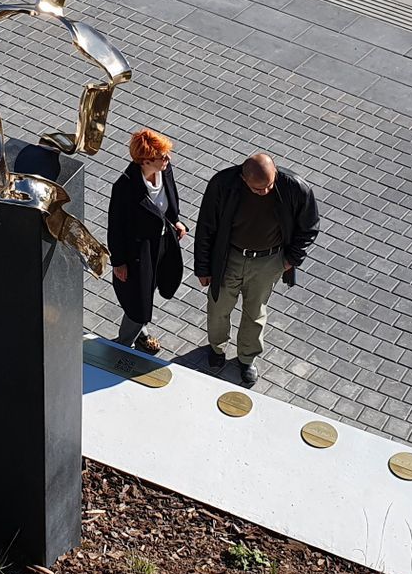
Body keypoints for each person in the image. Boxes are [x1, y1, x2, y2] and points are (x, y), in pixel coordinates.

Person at [193, 153, 320, 387]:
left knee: (255, 312)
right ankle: (217, 348)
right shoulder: (223, 184)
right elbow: (206, 227)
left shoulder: (295, 187)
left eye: (270, 186)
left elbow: (309, 226)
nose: (265, 192)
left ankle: (247, 358)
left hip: (268, 261)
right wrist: (203, 267)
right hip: (229, 257)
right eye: (258, 189)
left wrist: (291, 259)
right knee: (218, 307)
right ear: (244, 179)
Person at [107, 128, 186, 354]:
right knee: (138, 300)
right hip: (137, 252)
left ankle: (140, 332)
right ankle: (123, 345)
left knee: (148, 290)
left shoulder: (164, 170)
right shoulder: (125, 187)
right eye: (162, 156)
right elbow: (116, 227)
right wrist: (119, 262)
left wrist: (175, 220)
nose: (167, 159)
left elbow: (171, 197)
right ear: (144, 161)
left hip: (161, 244)